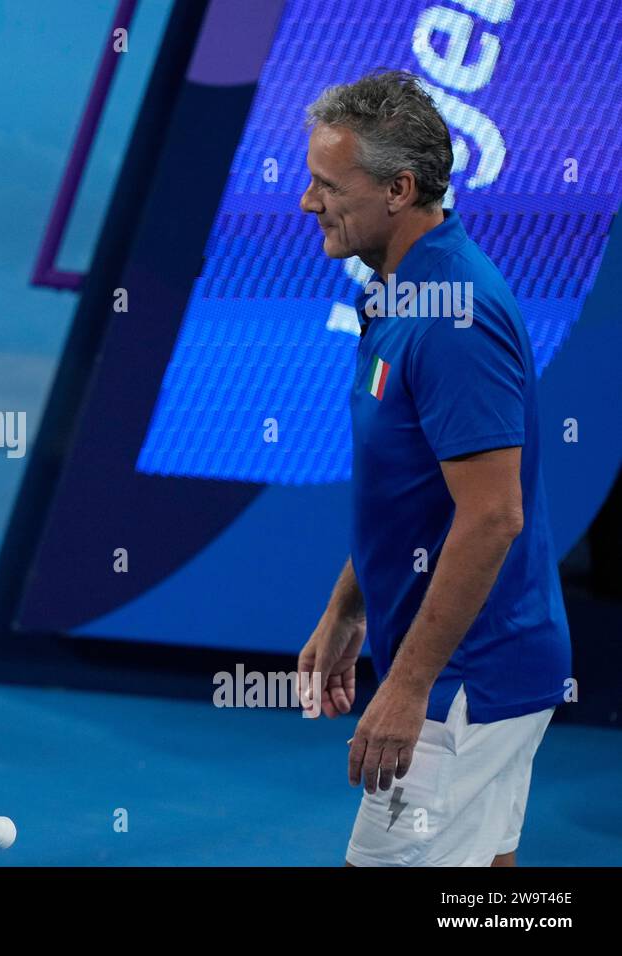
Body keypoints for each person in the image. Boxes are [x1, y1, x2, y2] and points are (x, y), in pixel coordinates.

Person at [296, 70, 571, 867]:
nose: (309, 204)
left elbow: (494, 515)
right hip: (471, 673)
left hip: (467, 684)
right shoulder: (397, 295)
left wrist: (409, 685)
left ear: (399, 188)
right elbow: (413, 496)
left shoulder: (455, 317)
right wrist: (350, 607)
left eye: (326, 186)